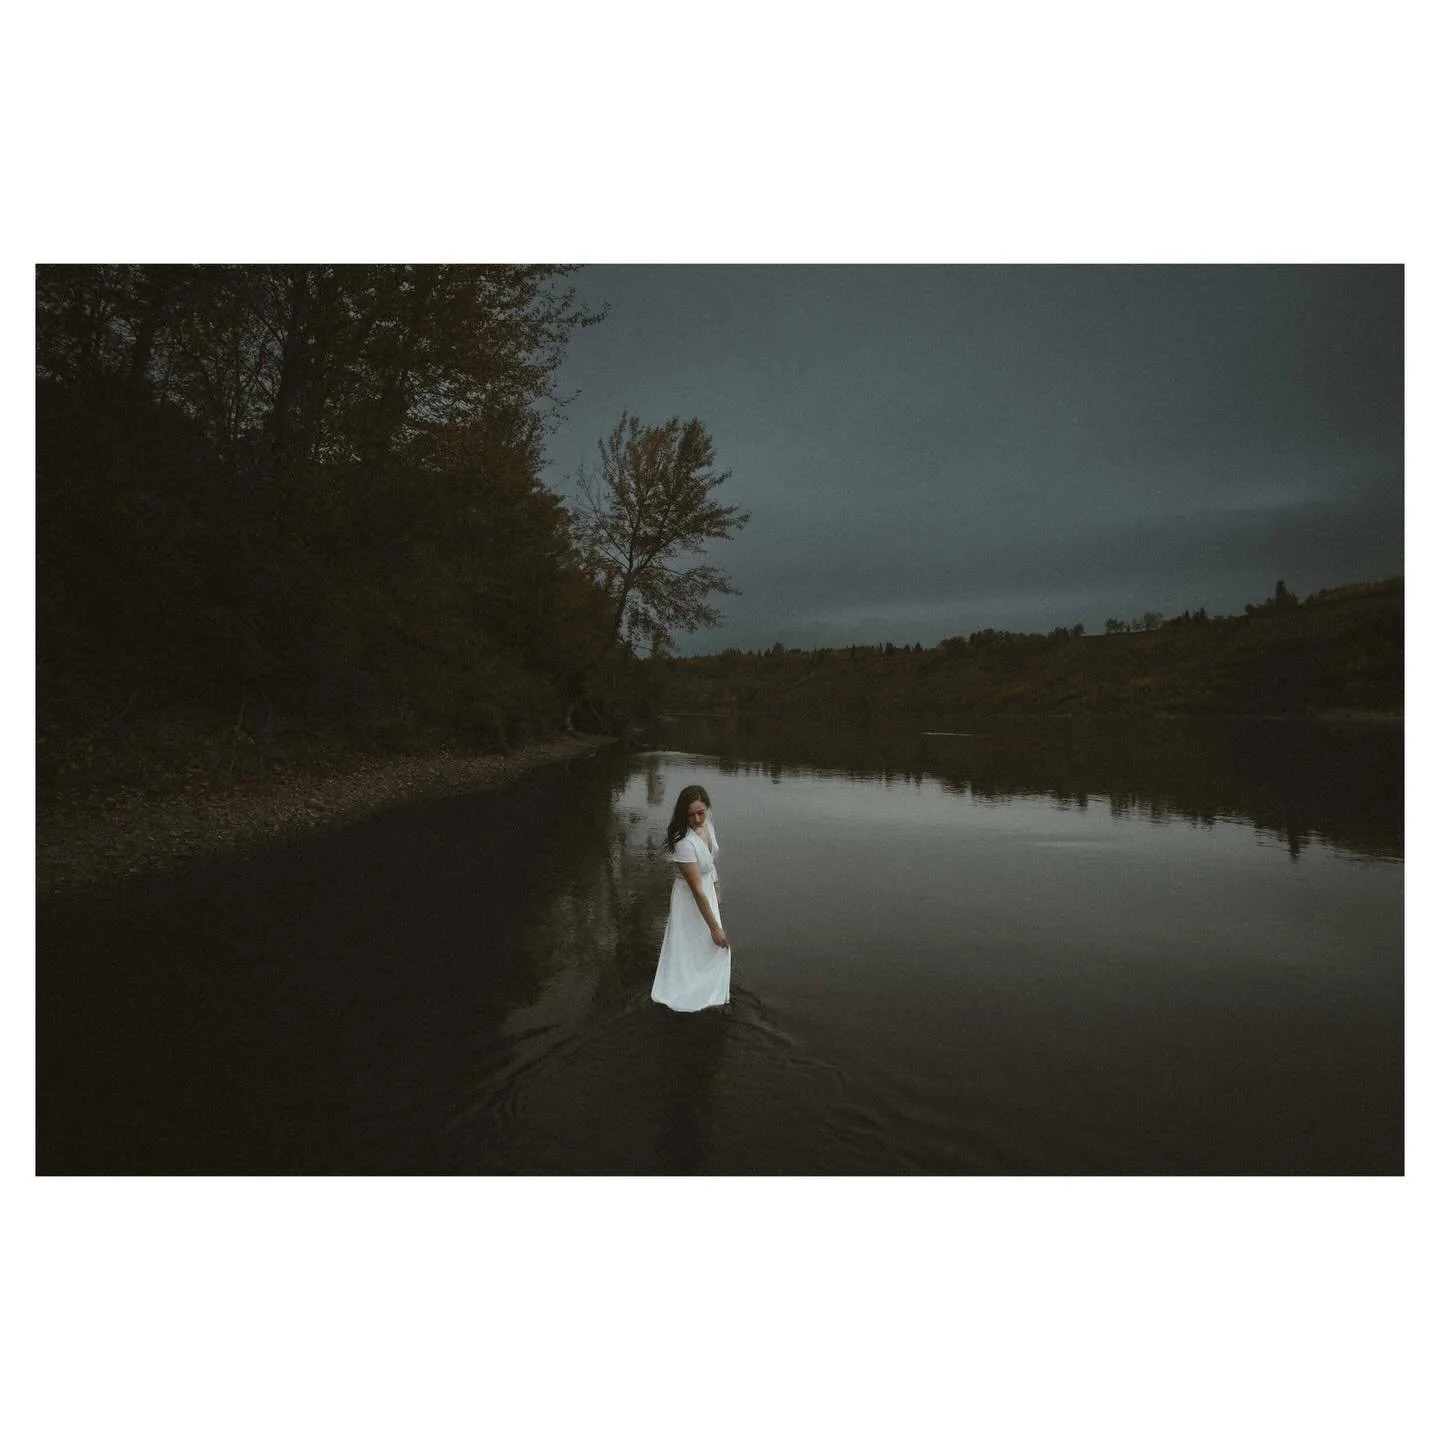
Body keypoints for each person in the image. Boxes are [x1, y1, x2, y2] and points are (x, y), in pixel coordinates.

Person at [651, 784, 732, 1012]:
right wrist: (715, 927)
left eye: (701, 812)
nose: (697, 819)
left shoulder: (707, 825)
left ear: (707, 809)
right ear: (682, 815)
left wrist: (716, 885)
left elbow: (711, 859)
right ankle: (686, 990)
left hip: (707, 891)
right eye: (691, 815)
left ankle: (710, 989)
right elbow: (696, 890)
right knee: (698, 942)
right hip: (690, 898)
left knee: (708, 946)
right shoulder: (683, 843)